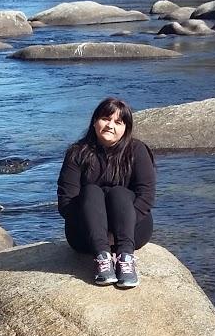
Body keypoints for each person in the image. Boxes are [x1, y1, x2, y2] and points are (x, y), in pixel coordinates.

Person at [57, 96, 156, 289]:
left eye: (118, 122)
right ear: (95, 122)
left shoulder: (137, 150)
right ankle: (102, 258)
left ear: (125, 128)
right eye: (105, 119)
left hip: (132, 231)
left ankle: (126, 259)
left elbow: (146, 196)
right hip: (84, 234)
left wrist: (118, 231)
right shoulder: (77, 153)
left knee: (119, 193)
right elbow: (66, 202)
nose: (110, 126)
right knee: (91, 192)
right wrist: (97, 232)